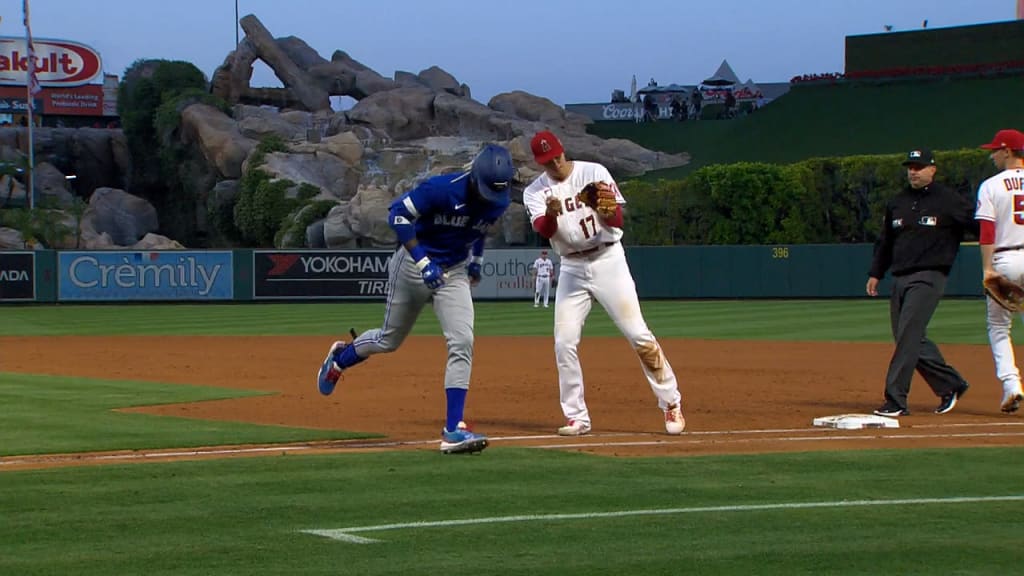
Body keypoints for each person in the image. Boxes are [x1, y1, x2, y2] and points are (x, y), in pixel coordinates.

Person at [316, 144, 514, 454]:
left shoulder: (496, 200)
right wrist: (423, 262)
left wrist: (476, 260)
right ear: (474, 177)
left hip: (454, 272)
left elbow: (479, 232)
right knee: (388, 340)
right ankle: (340, 359)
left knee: (462, 341)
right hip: (411, 265)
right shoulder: (439, 189)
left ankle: (452, 430)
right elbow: (397, 216)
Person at [522, 130, 685, 436]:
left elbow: (618, 221)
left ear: (563, 150)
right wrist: (552, 215)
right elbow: (544, 230)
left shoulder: (593, 172)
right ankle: (577, 417)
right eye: (547, 162)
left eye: (556, 157)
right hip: (571, 265)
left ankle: (671, 402)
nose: (554, 164)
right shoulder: (535, 191)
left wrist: (604, 207)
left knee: (638, 334)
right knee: (563, 342)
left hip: (607, 259)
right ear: (539, 163)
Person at [867, 148, 974, 417]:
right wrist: (876, 272)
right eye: (910, 167)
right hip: (900, 276)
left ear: (932, 169)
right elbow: (886, 241)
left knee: (908, 337)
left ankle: (896, 400)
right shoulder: (897, 202)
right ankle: (951, 384)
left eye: (919, 166)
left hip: (930, 276)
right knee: (909, 338)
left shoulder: (949, 201)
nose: (913, 171)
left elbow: (981, 225)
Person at [975, 128, 1024, 413]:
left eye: (995, 150)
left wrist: (987, 269)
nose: (992, 154)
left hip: (1006, 259)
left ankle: (1011, 385)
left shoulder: (991, 185)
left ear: (1008, 151)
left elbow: (987, 231)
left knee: (998, 327)